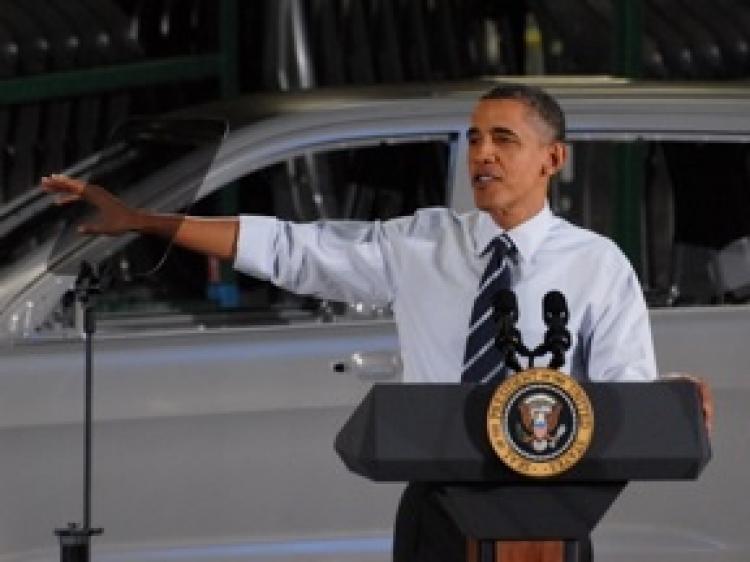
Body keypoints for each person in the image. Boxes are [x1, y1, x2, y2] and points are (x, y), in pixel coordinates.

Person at [41, 82, 713, 560]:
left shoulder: (597, 265)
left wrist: (670, 401)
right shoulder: (424, 243)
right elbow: (292, 251)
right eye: (474, 139)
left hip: (552, 509)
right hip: (440, 510)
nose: (482, 155)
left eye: (503, 139)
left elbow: (622, 394)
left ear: (552, 159)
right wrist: (142, 221)